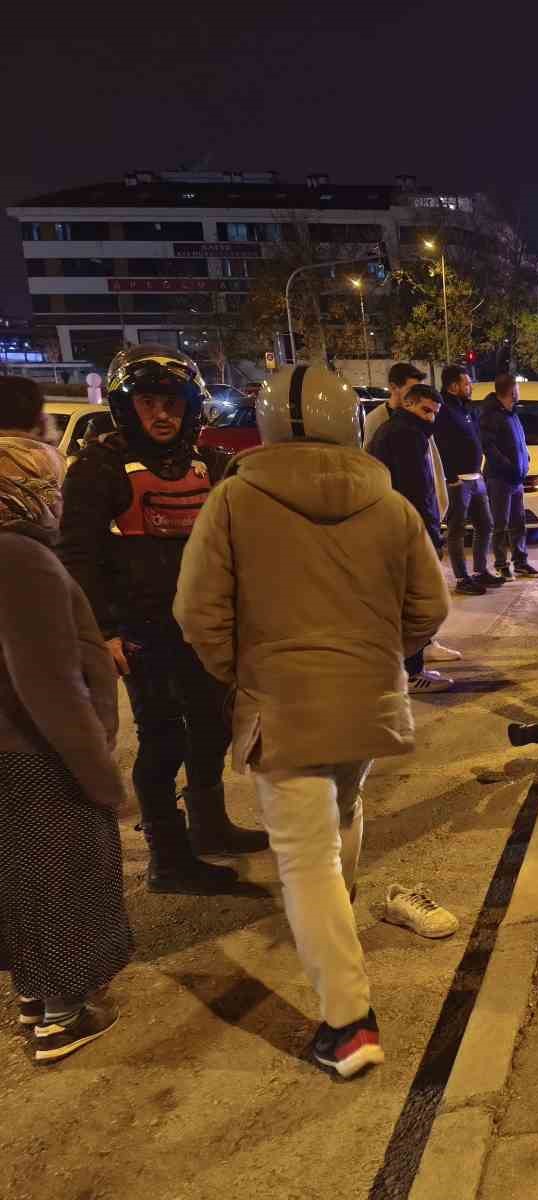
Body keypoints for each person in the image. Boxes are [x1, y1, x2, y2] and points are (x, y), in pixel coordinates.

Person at [175, 365, 454, 1080]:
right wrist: (379, 656)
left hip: (284, 704)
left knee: (303, 859)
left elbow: (198, 613)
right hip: (367, 698)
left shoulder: (234, 501)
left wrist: (246, 674)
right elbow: (430, 609)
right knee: (347, 808)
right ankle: (340, 919)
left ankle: (349, 1022)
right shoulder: (391, 506)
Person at [58, 346, 265, 896]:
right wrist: (104, 632)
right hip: (140, 632)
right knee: (162, 740)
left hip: (200, 629)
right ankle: (169, 859)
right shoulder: (98, 470)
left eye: (170, 400)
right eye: (148, 401)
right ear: (129, 406)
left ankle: (210, 825)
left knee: (214, 725)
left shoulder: (212, 463)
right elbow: (76, 558)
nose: (161, 413)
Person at [0, 377, 133, 1063]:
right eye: (48, 471)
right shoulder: (22, 559)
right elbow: (49, 683)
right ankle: (60, 1015)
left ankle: (36, 995)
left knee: (25, 881)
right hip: (40, 756)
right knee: (62, 882)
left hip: (16, 754)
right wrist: (102, 776)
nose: (59, 488)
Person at [369, 383, 453, 694]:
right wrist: (429, 534)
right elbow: (415, 492)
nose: (430, 418)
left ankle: (409, 668)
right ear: (408, 404)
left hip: (400, 529)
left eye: (434, 412)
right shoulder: (405, 436)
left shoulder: (401, 431)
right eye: (425, 410)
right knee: (417, 604)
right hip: (408, 532)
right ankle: (411, 671)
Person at [436, 364, 500, 596]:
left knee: (486, 524)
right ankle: (462, 578)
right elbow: (440, 447)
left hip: (476, 478)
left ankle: (480, 570)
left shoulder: (467, 410)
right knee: (457, 530)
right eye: (466, 383)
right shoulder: (444, 412)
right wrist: (451, 477)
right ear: (453, 387)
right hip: (459, 482)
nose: (470, 387)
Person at [478, 373, 538, 580]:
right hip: (500, 479)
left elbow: (518, 441)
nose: (519, 392)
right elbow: (489, 447)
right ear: (512, 391)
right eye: (518, 389)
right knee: (500, 524)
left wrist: (526, 458)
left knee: (518, 523)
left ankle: (520, 562)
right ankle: (501, 564)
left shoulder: (512, 413)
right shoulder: (491, 415)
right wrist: (508, 466)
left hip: (516, 479)